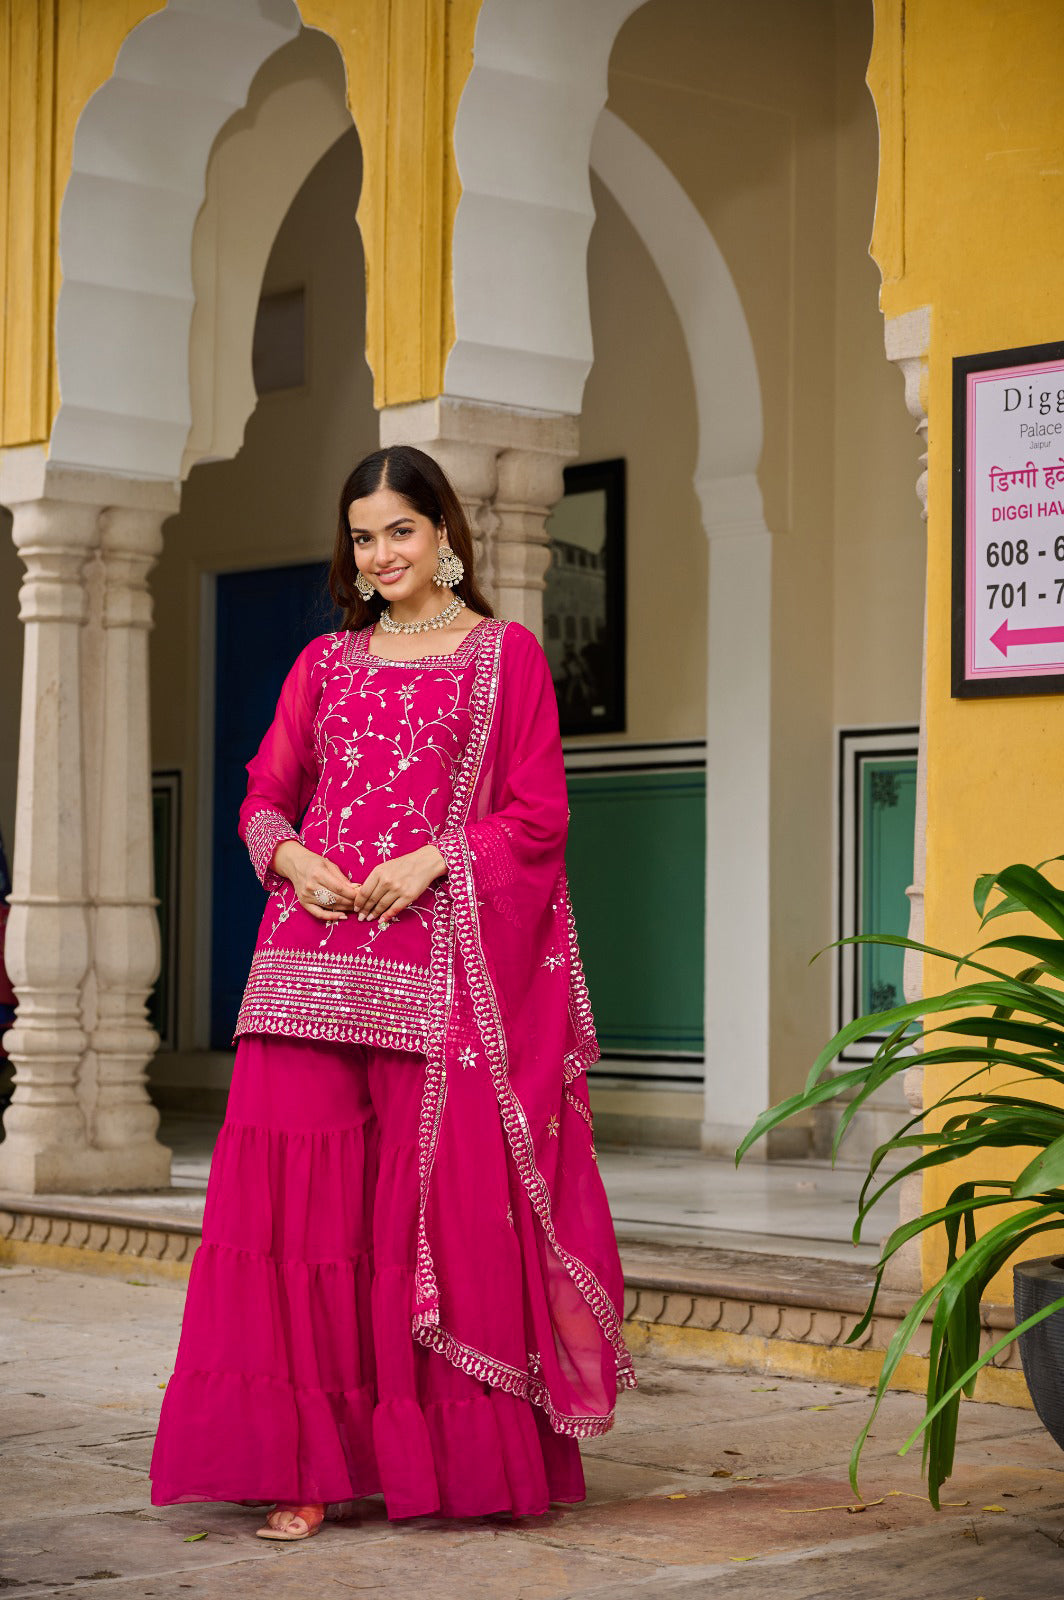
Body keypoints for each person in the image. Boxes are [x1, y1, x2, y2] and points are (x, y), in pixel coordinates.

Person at [149, 446, 634, 1540]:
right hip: (304, 971)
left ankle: (434, 1457)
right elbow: (265, 794)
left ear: (444, 533)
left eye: (400, 531)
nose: (380, 555)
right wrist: (287, 859)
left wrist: (437, 858)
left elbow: (538, 816)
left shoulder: (503, 658)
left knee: (416, 1216)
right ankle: (303, 1465)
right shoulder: (324, 664)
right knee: (297, 1223)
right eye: (363, 537)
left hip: (433, 975)